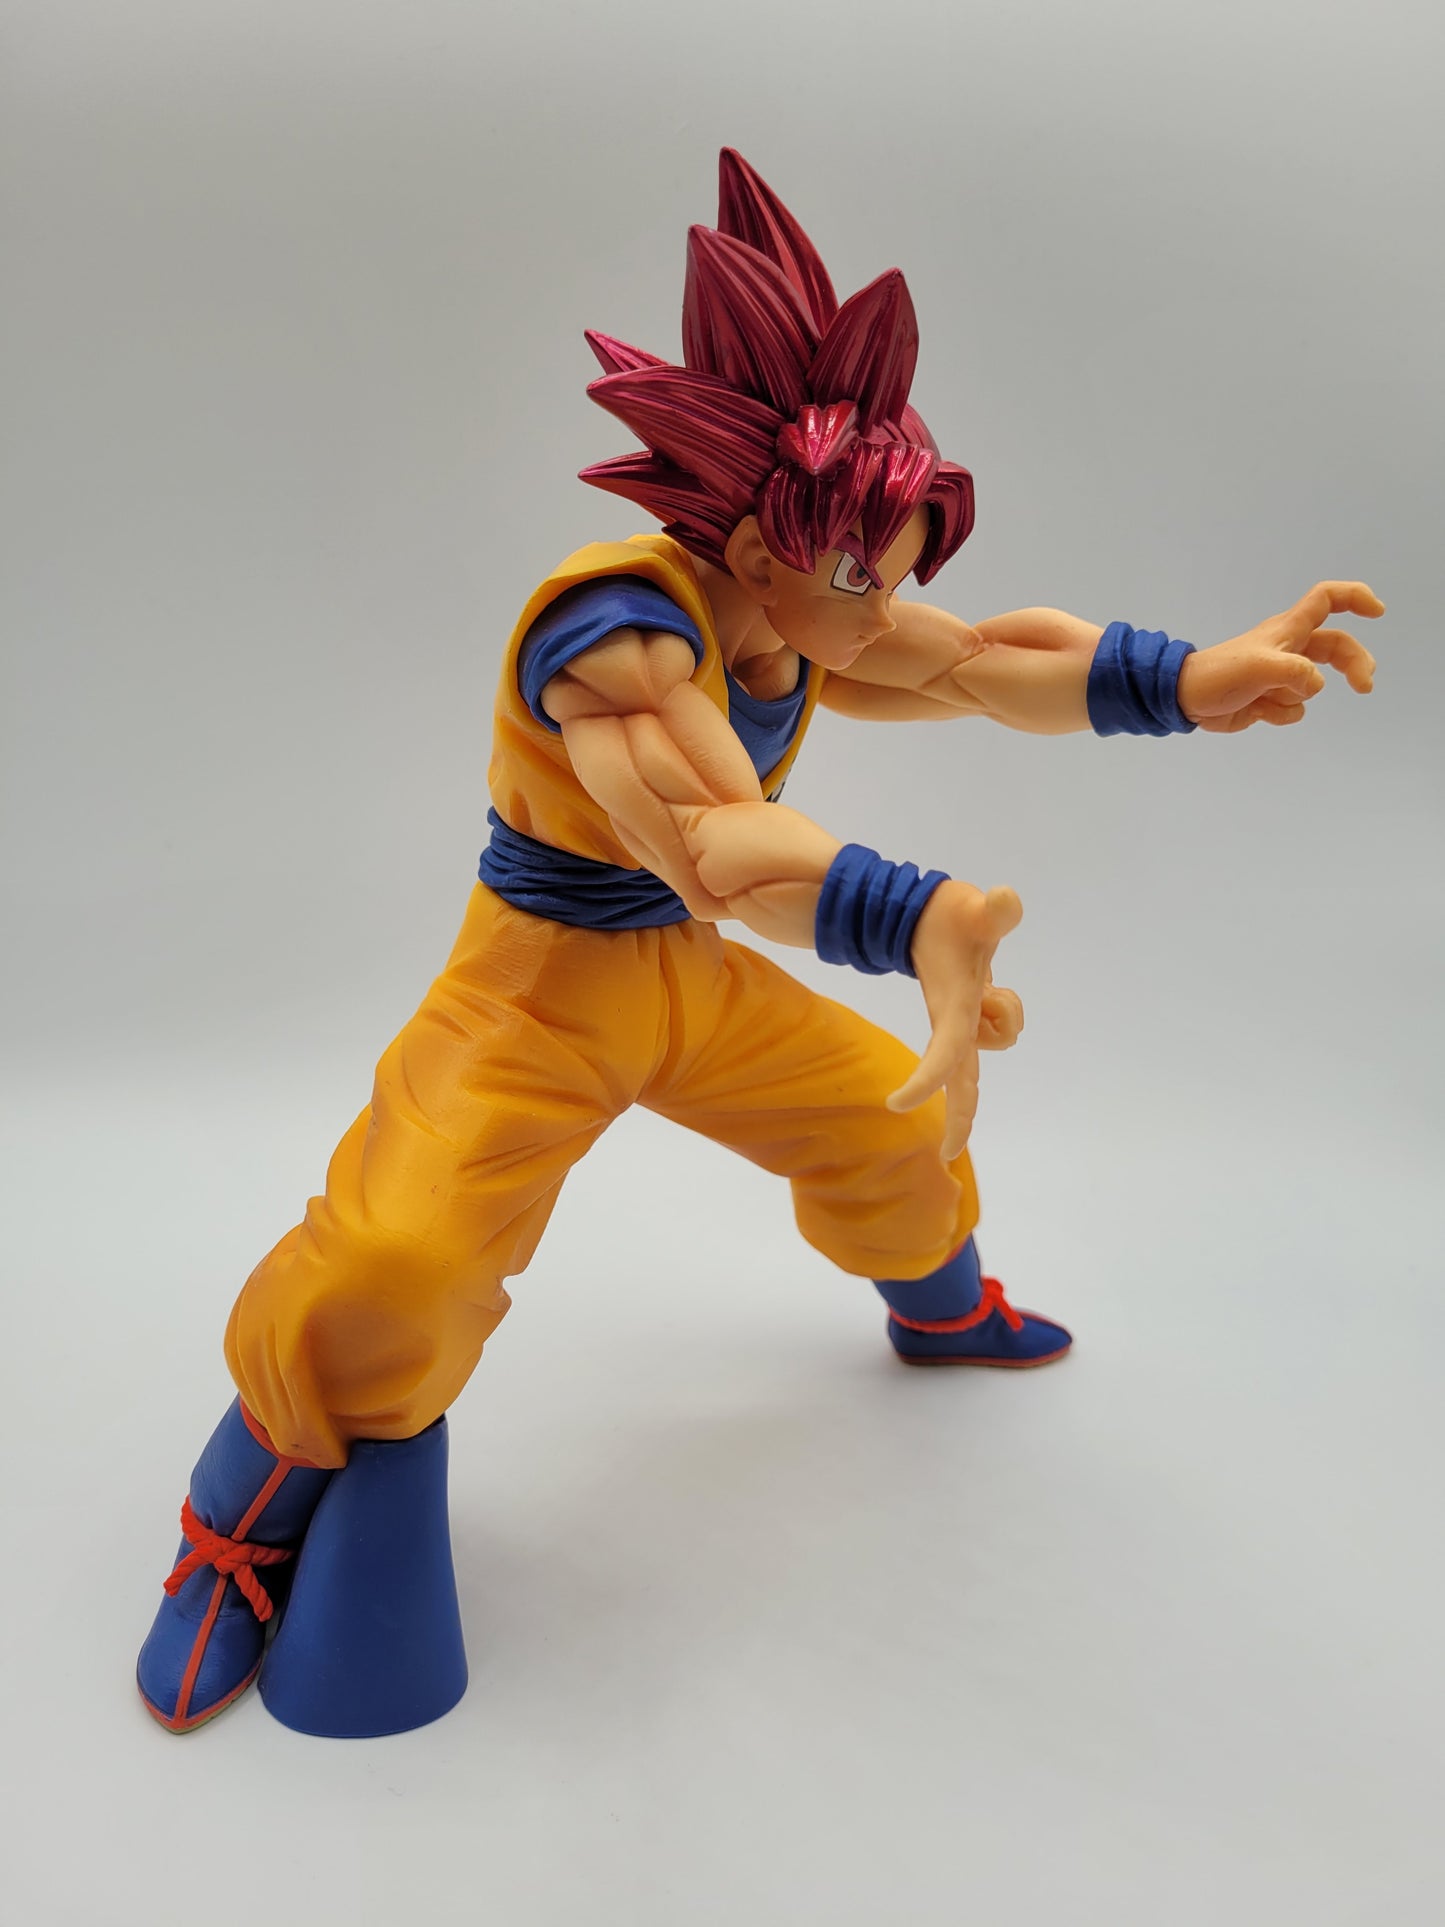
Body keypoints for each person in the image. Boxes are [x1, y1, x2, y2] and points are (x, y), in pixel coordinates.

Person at [137, 149, 1382, 1736]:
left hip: (689, 981)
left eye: (895, 563)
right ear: (750, 548)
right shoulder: (614, 637)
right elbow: (711, 843)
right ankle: (235, 1527)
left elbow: (975, 659)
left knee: (893, 1119)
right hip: (532, 993)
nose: (889, 603)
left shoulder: (804, 607)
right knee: (390, 1267)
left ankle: (940, 1309)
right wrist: (910, 912)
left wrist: (1187, 677)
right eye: (864, 571)